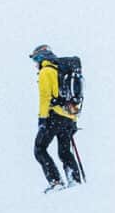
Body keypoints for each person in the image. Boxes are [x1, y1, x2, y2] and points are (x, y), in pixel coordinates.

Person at [29, 43, 84, 191]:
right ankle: (74, 180)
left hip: (54, 116)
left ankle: (56, 182)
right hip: (69, 117)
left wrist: (42, 119)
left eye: (35, 60)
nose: (35, 64)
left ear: (41, 57)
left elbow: (45, 97)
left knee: (39, 149)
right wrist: (73, 120)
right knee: (65, 151)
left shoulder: (46, 71)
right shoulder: (62, 71)